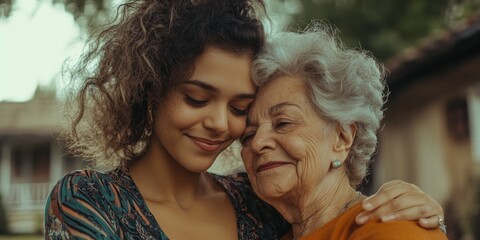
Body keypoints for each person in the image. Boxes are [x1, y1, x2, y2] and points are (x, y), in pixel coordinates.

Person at [45, 0, 444, 239]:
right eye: (197, 98)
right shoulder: (90, 201)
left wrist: (418, 210)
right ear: (150, 91)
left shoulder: (257, 204)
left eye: (238, 109)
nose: (222, 124)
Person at [240, 22, 448, 239]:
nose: (257, 143)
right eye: (247, 135)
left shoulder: (393, 230)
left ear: (342, 138)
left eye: (283, 123)